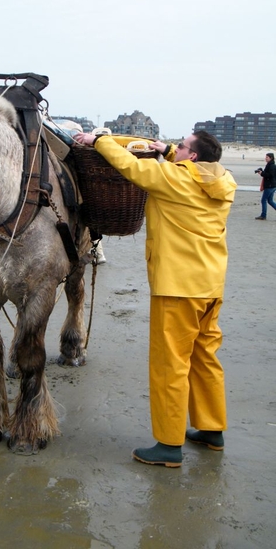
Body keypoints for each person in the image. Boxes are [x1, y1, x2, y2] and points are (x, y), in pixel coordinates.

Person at [73, 130, 237, 467]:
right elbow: (187, 162)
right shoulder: (225, 181)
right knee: (205, 356)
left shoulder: (174, 179)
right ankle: (211, 429)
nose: (177, 149)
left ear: (192, 157)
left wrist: (98, 141)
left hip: (177, 286)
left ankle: (168, 445)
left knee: (170, 364)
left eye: (183, 146)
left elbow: (130, 167)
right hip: (210, 285)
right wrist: (170, 148)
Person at [255, 152, 276, 220]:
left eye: (267, 157)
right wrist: (261, 172)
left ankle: (263, 215)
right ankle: (263, 215)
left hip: (270, 186)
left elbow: (270, 175)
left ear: (271, 158)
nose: (265, 158)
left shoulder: (272, 166)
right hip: (272, 185)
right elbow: (268, 174)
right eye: (265, 157)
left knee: (263, 200)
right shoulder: (270, 165)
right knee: (270, 201)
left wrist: (262, 173)